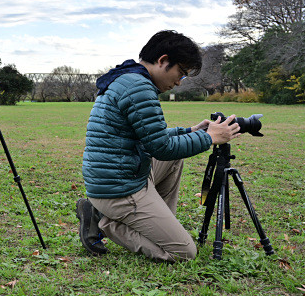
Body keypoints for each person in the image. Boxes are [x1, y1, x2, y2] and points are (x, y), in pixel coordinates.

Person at [77, 30, 240, 262]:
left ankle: (150, 223)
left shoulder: (128, 78)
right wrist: (209, 138)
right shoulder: (138, 87)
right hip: (119, 189)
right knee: (184, 252)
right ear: (163, 60)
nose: (178, 82)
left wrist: (190, 132)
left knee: (175, 158)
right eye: (180, 73)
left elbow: (151, 137)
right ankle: (104, 220)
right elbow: (162, 148)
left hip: (118, 175)